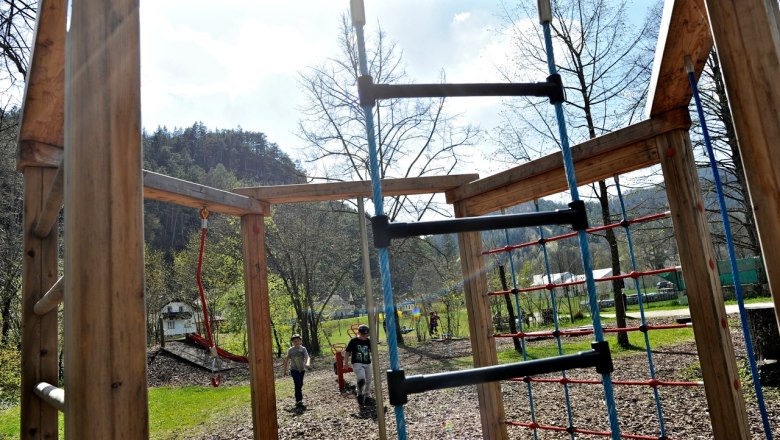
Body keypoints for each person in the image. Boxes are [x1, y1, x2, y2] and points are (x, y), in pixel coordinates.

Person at [344, 324, 372, 406]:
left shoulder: (368, 341)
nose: (365, 336)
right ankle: (360, 394)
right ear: (359, 333)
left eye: (367, 335)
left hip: (367, 363)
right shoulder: (354, 341)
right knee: (361, 378)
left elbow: (372, 350)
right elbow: (347, 352)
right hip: (357, 363)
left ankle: (367, 396)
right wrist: (345, 363)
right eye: (363, 335)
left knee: (368, 380)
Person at [283, 334, 311, 407]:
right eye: (295, 341)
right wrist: (284, 372)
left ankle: (298, 397)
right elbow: (286, 360)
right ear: (292, 342)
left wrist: (307, 363)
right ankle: (299, 400)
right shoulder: (290, 350)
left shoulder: (303, 349)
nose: (297, 342)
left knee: (300, 384)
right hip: (294, 369)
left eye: (298, 341)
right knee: (297, 383)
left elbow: (307, 357)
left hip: (301, 369)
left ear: (300, 341)